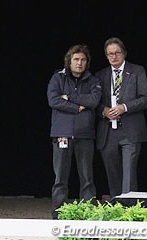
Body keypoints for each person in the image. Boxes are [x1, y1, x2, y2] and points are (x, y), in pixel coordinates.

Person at [47, 44, 101, 219]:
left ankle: (88, 214)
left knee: (87, 178)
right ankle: (59, 214)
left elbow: (93, 101)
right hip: (62, 133)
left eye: (83, 60)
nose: (79, 63)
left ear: (87, 62)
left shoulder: (93, 80)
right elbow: (54, 100)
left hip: (85, 135)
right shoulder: (58, 78)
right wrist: (77, 107)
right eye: (76, 59)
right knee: (60, 178)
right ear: (69, 61)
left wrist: (69, 98)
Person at [95, 37, 147, 199]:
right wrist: (103, 111)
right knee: (112, 176)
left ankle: (129, 210)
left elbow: (146, 99)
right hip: (108, 132)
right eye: (110, 54)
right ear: (106, 56)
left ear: (124, 53)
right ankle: (115, 208)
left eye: (117, 53)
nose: (114, 57)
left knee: (129, 176)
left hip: (131, 131)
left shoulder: (137, 71)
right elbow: (94, 103)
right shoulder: (100, 75)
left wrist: (124, 107)